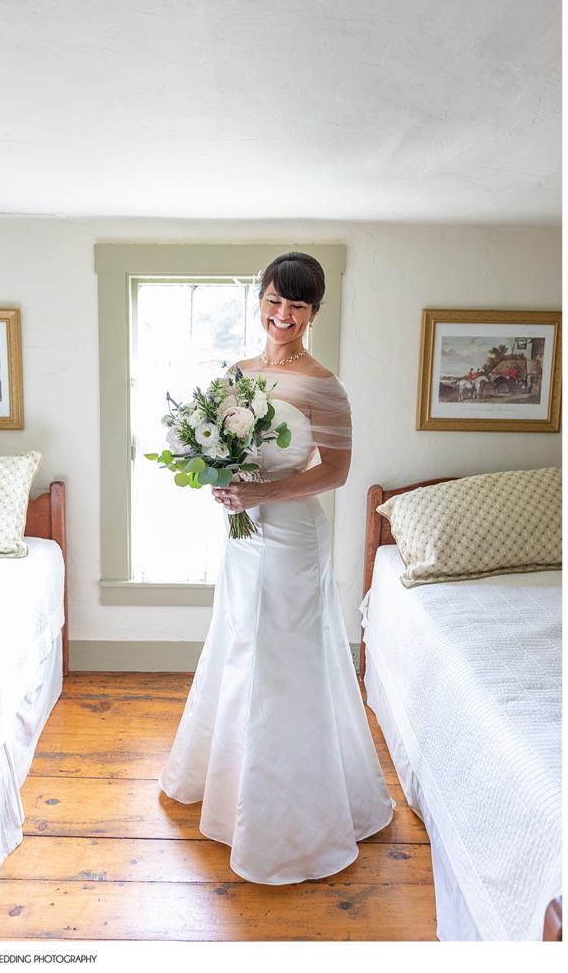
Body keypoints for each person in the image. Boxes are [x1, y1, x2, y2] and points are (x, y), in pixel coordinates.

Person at [158, 251, 395, 885]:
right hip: (241, 538)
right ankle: (231, 785)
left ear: (314, 312)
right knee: (238, 643)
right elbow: (222, 448)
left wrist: (264, 493)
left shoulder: (323, 385)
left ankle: (292, 811)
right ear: (259, 299)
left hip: (291, 535)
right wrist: (225, 479)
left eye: (297, 305)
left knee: (284, 656)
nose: (281, 315)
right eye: (273, 300)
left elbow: (336, 472)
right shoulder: (236, 372)